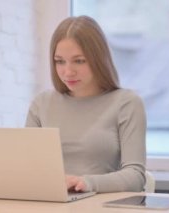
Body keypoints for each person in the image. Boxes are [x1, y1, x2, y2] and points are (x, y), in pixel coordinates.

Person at [25, 15, 147, 193]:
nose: (68, 72)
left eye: (79, 61)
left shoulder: (127, 103)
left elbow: (135, 176)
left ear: (98, 58)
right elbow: (27, 167)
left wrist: (86, 183)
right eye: (59, 61)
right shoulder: (41, 104)